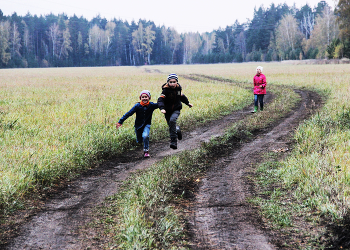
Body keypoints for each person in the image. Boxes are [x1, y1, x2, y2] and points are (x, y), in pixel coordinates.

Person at [116, 90, 159, 158]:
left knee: (145, 136)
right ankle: (142, 142)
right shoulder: (137, 106)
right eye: (143, 97)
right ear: (140, 98)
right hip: (138, 126)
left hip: (147, 125)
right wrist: (120, 121)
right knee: (139, 141)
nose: (144, 98)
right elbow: (129, 113)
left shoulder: (152, 105)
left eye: (146, 97)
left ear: (149, 98)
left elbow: (161, 104)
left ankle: (146, 151)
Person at [158, 73, 193, 149]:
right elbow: (160, 100)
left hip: (176, 109)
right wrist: (162, 108)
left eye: (174, 82)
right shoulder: (165, 90)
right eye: (171, 82)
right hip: (167, 111)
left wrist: (188, 103)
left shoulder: (178, 89)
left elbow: (181, 97)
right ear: (168, 82)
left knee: (172, 121)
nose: (172, 84)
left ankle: (174, 141)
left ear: (177, 82)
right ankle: (177, 129)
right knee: (171, 126)